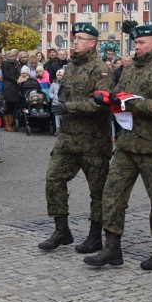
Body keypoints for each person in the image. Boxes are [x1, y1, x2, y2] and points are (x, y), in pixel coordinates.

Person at [84, 24, 152, 269]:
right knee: (112, 194)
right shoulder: (130, 68)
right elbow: (118, 92)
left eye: (141, 43)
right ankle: (112, 247)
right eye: (135, 43)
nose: (136, 47)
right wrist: (107, 98)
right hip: (128, 144)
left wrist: (128, 104)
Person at [39, 23, 113, 253]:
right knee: (53, 180)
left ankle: (94, 236)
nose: (76, 42)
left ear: (93, 42)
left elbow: (102, 104)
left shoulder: (101, 70)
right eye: (75, 38)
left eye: (81, 38)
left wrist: (68, 106)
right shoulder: (70, 68)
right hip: (68, 141)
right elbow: (62, 95)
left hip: (93, 142)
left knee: (98, 192)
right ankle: (62, 230)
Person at [1, 49, 20, 131]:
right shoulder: (5, 63)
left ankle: (10, 123)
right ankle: (7, 124)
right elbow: (6, 75)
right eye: (15, 55)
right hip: (8, 87)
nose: (16, 57)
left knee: (12, 106)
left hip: (14, 87)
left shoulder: (15, 63)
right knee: (7, 106)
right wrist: (16, 80)